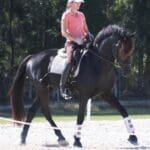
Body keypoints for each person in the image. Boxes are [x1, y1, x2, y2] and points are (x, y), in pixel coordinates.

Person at [60, 0, 91, 99]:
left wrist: (89, 34)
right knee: (69, 62)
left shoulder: (82, 15)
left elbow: (85, 28)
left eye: (80, 3)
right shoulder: (66, 15)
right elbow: (64, 32)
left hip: (83, 42)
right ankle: (63, 87)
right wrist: (75, 39)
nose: (79, 5)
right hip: (71, 43)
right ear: (71, 4)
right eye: (77, 3)